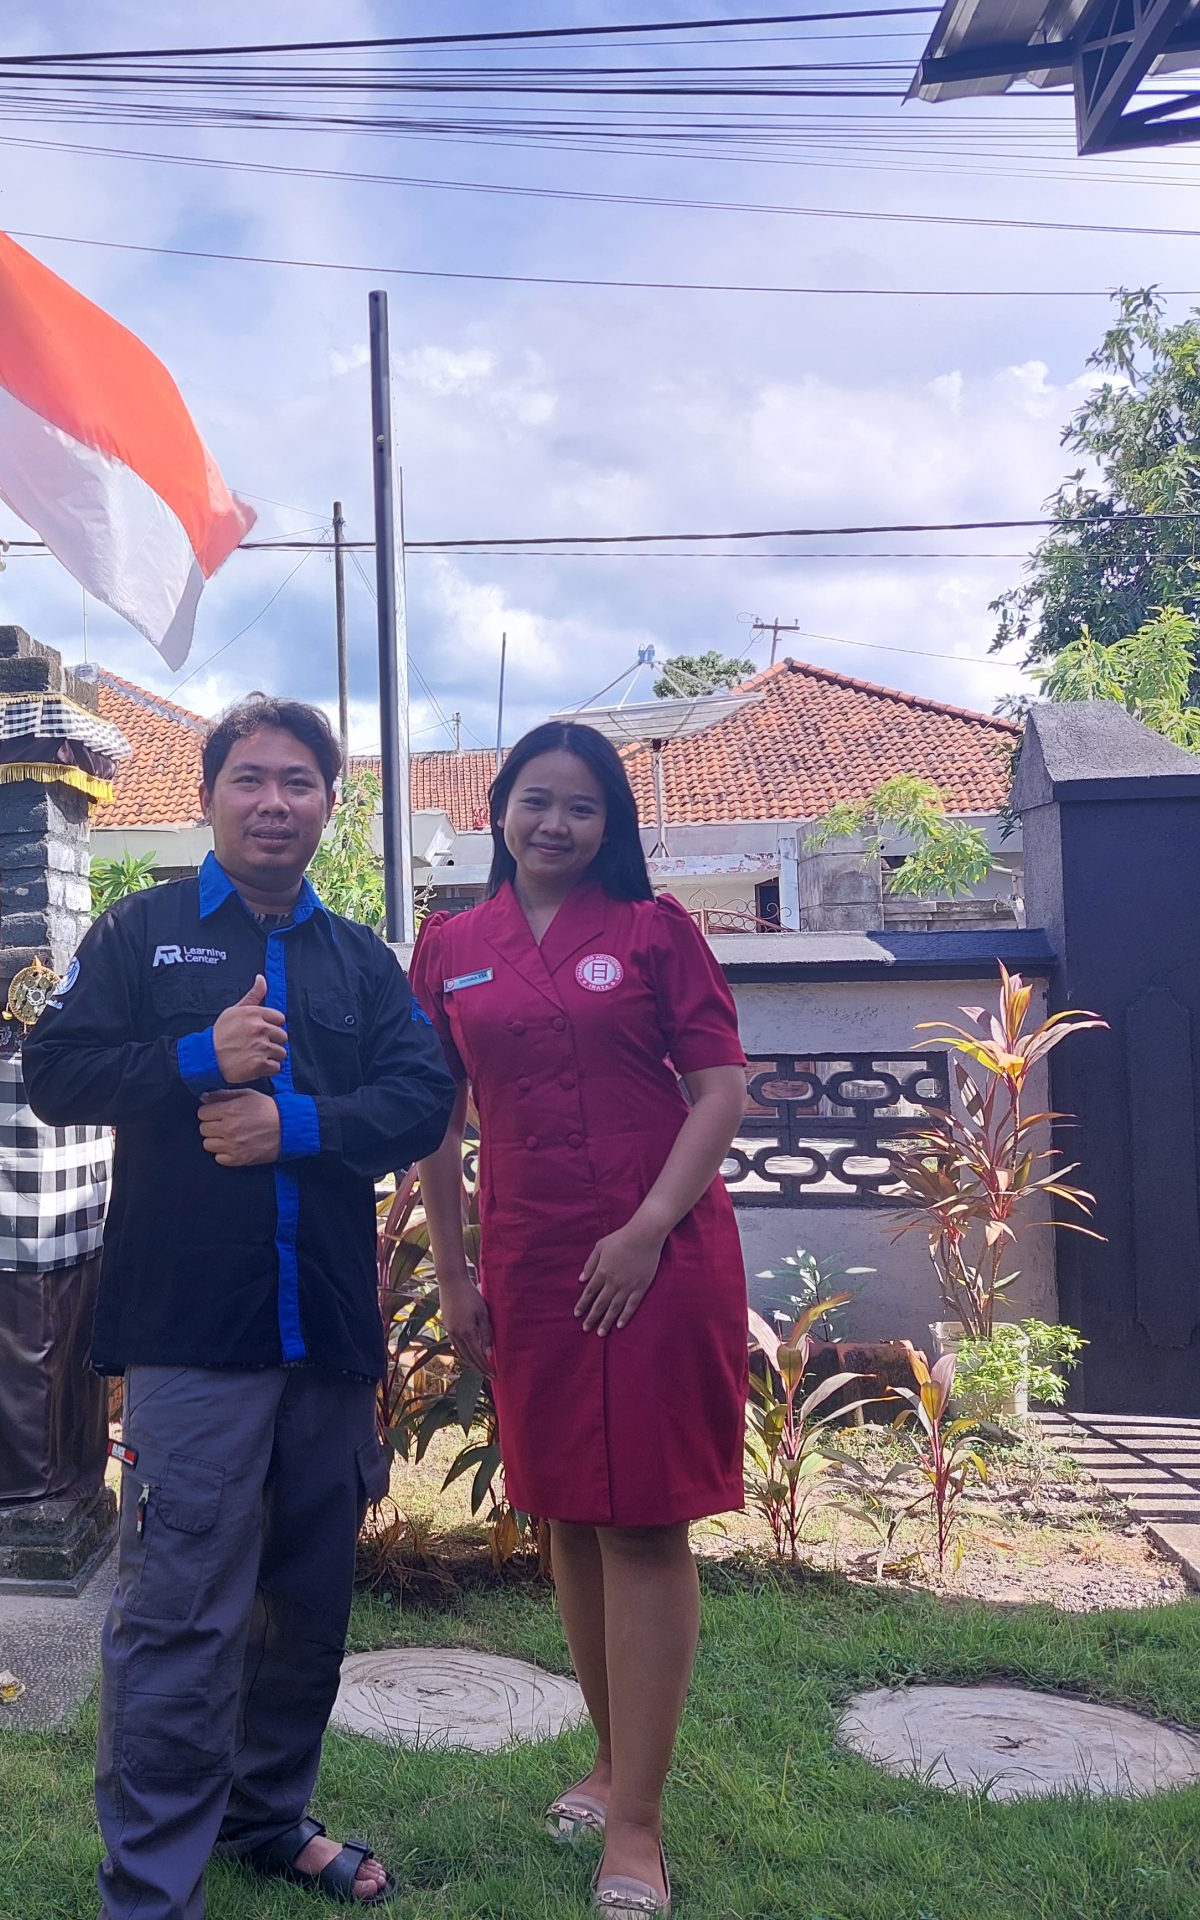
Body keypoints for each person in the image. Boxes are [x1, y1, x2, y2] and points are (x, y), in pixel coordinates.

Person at [24, 695, 455, 1919]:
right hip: (189, 1335)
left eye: (299, 782)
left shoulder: (359, 961)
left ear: (329, 799)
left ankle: (266, 1818)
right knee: (178, 1615)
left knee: (303, 1610)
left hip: (322, 1330)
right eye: (250, 780)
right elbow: (54, 1075)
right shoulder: (138, 934)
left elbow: (420, 1097)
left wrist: (298, 1126)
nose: (274, 803)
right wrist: (192, 1060)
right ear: (208, 796)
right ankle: (153, 1887)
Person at [409, 720, 750, 1920]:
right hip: (529, 1261)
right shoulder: (450, 947)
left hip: (659, 1255)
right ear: (497, 810)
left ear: (612, 826)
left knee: (646, 1522)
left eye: (581, 808)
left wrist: (649, 1225)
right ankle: (607, 1766)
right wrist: (453, 1275)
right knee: (564, 1511)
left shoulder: (659, 933)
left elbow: (719, 1091)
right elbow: (435, 1124)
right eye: (534, 802)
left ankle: (640, 1829)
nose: (554, 826)